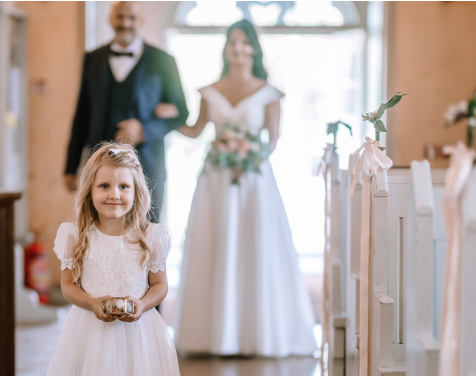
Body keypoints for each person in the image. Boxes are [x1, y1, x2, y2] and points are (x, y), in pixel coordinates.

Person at [171, 20, 317, 357]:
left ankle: (257, 333)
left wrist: (249, 154)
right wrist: (168, 116)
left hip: (253, 180)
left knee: (255, 246)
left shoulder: (269, 92)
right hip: (215, 180)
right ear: (225, 49)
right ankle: (211, 335)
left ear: (254, 48)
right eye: (232, 42)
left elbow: (274, 140)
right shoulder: (209, 90)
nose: (238, 49)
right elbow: (195, 130)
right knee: (215, 243)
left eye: (244, 43)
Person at [47, 143, 180, 376]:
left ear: (136, 192)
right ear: (89, 191)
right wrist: (92, 303)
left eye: (124, 186)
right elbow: (67, 285)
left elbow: (160, 285)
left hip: (139, 333)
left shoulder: (150, 237)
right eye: (104, 186)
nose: (114, 194)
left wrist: (144, 304)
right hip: (90, 330)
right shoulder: (75, 236)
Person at [64, 1, 189, 222]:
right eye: (120, 17)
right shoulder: (92, 59)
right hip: (98, 165)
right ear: (111, 19)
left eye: (131, 18)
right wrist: (70, 166)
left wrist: (144, 130)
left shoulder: (163, 61)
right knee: (97, 230)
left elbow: (182, 113)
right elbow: (82, 114)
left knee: (146, 232)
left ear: (141, 21)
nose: (125, 23)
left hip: (147, 165)